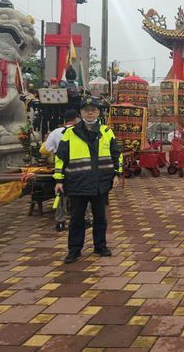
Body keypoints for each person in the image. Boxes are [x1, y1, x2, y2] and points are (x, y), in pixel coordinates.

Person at [54, 97, 122, 264]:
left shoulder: (106, 132)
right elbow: (61, 158)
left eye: (93, 110)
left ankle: (100, 246)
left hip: (100, 183)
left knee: (100, 218)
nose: (90, 113)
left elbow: (116, 155)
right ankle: (74, 250)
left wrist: (116, 174)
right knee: (77, 219)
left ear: (98, 112)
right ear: (81, 113)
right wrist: (59, 179)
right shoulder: (69, 133)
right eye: (86, 110)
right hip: (78, 182)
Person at [41, 109, 94, 232]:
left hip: (62, 168)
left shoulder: (55, 132)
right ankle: (87, 219)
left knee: (61, 194)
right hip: (80, 168)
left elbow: (46, 149)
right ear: (77, 119)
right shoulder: (83, 131)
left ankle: (60, 221)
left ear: (65, 120)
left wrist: (56, 152)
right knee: (84, 193)